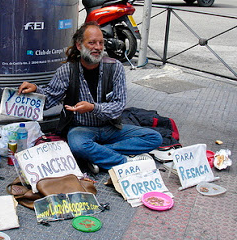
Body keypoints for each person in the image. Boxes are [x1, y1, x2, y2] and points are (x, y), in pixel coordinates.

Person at [18, 22, 162, 173]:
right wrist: (35, 90)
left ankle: (98, 154)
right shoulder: (67, 70)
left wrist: (93, 108)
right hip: (81, 129)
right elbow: (49, 99)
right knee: (78, 145)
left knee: (154, 138)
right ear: (79, 46)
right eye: (92, 43)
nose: (98, 47)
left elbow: (119, 106)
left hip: (110, 127)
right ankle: (124, 162)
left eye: (101, 43)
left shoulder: (115, 67)